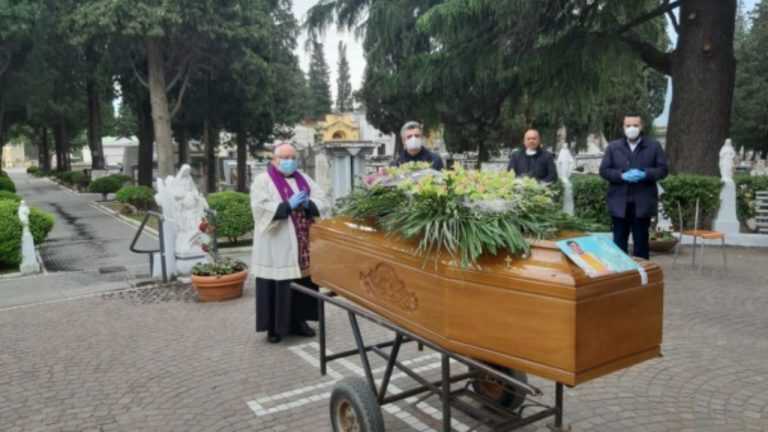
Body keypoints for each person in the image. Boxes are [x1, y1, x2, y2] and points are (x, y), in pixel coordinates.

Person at [250, 144, 329, 343]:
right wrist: (287, 206)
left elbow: (322, 199)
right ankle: (274, 328)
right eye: (284, 157)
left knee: (302, 283)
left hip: (302, 243)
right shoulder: (262, 180)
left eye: (292, 157)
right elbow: (260, 208)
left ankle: (299, 322)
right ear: (274, 159)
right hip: (277, 243)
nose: (289, 161)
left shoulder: (304, 178)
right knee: (278, 283)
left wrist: (308, 204)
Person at [599, 114, 668, 259]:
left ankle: (642, 277)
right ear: (623, 127)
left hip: (642, 203)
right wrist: (621, 175)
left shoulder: (653, 146)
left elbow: (663, 170)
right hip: (619, 203)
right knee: (618, 244)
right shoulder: (613, 147)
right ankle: (621, 276)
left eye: (635, 125)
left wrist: (645, 173)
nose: (632, 128)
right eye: (628, 125)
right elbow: (604, 171)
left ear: (641, 127)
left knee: (641, 244)